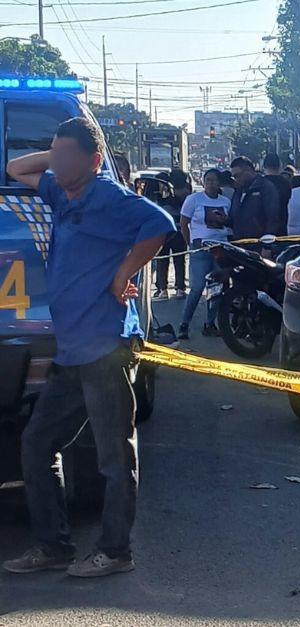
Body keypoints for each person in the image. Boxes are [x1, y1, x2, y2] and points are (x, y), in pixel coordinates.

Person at [2, 117, 174, 578]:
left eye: (65, 157)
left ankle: (116, 552)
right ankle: (53, 546)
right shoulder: (62, 192)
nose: (55, 164)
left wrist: (123, 273)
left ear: (94, 162)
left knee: (114, 458)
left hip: (105, 349)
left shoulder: (109, 197)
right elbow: (18, 167)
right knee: (37, 443)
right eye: (54, 156)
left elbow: (160, 224)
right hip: (72, 352)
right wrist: (58, 154)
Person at [178, 168, 230, 340]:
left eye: (214, 180)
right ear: (203, 181)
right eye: (208, 180)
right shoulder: (194, 200)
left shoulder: (226, 201)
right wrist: (191, 244)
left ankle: (210, 323)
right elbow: (183, 223)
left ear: (219, 183)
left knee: (216, 288)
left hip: (221, 248)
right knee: (198, 287)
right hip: (200, 248)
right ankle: (184, 323)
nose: (211, 183)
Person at [153, 171, 189, 300]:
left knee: (162, 260)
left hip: (163, 231)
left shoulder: (164, 193)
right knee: (179, 260)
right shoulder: (186, 192)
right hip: (179, 231)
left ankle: (163, 289)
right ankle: (180, 288)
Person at [228, 156, 281, 241]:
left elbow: (273, 219)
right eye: (234, 177)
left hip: (258, 243)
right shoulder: (239, 190)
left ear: (248, 170)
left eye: (237, 175)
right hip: (239, 242)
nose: (236, 179)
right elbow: (234, 217)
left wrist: (267, 246)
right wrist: (223, 220)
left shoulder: (265, 187)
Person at [262, 153, 290, 235]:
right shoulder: (286, 183)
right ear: (279, 165)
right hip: (282, 225)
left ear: (264, 166)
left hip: (264, 227)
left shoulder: (261, 183)